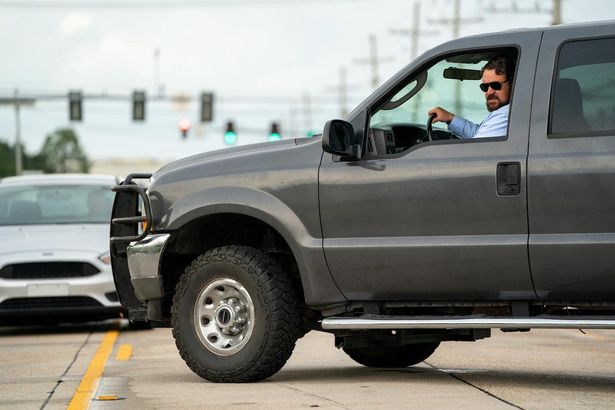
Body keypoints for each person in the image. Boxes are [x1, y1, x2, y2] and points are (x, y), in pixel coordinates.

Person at [428, 56, 515, 139]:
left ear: (512, 84)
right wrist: (449, 118)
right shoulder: (505, 113)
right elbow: (480, 134)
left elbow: (478, 146)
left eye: (495, 85)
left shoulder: (506, 114)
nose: (489, 91)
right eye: (485, 86)